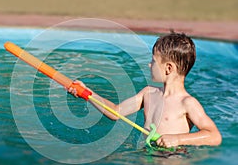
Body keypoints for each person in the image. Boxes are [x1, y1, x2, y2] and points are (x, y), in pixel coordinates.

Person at [68, 32, 222, 148]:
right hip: (145, 152)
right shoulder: (148, 93)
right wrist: (87, 93)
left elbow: (214, 136)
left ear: (168, 68)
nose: (149, 65)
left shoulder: (187, 103)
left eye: (153, 61)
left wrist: (178, 139)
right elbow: (115, 112)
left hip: (172, 159)